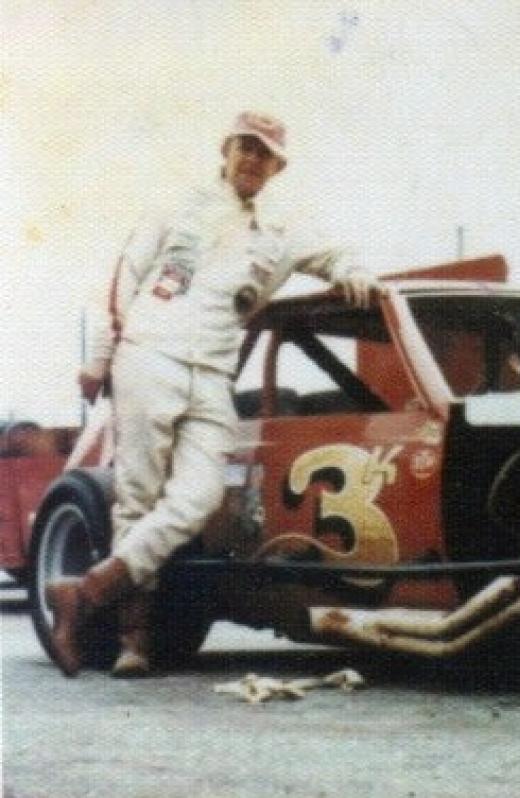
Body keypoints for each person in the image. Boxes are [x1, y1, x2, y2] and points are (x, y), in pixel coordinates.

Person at [46, 111, 382, 678]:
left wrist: (355, 272)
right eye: (244, 147)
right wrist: (100, 358)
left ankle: (84, 593)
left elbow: (335, 255)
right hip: (149, 353)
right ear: (225, 151)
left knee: (200, 496)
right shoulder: (177, 204)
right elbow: (122, 278)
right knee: (138, 495)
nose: (252, 159)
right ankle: (134, 641)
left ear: (277, 167)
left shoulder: (282, 229)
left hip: (213, 373)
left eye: (265, 153)